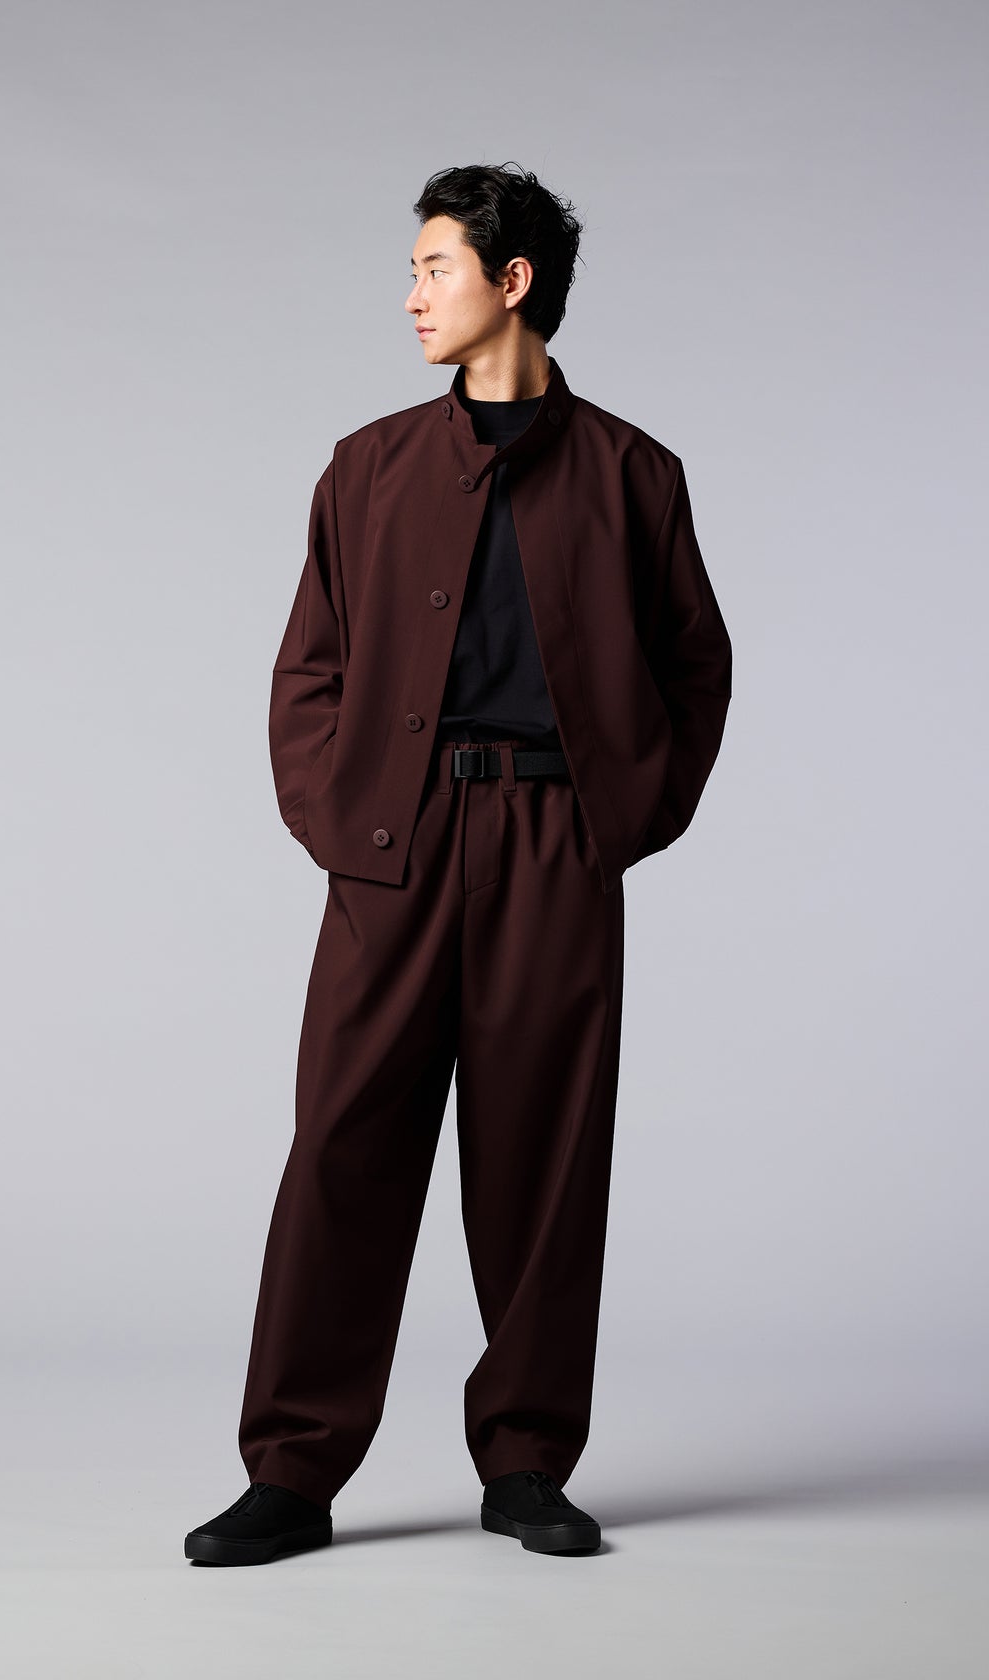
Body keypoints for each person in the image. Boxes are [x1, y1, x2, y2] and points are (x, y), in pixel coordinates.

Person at [184, 162, 732, 1566]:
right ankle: (291, 1474)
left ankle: (529, 1463)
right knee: (342, 1145)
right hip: (395, 847)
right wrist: (339, 816)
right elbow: (309, 667)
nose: (413, 295)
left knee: (546, 1160)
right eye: (417, 268)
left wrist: (618, 817)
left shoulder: (634, 475)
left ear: (513, 280)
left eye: (436, 266)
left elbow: (695, 667)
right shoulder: (365, 468)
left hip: (554, 846)